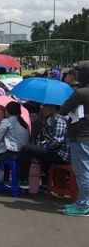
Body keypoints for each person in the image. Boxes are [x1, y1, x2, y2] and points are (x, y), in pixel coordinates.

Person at [59, 61, 89, 216]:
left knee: (83, 171)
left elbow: (63, 110)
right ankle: (84, 202)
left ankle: (82, 205)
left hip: (80, 135)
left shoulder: (80, 93)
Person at [18, 104, 70, 187]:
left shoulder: (59, 119)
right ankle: (45, 183)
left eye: (44, 107)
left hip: (60, 155)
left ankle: (23, 180)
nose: (42, 109)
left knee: (26, 148)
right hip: (53, 151)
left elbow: (57, 141)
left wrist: (42, 146)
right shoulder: (50, 119)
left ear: (53, 108)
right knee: (33, 152)